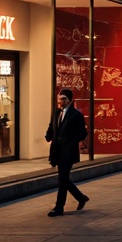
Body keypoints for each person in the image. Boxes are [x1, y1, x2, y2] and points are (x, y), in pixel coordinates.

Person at [45, 88, 89, 216]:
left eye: (64, 99)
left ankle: (59, 207)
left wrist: (71, 143)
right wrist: (49, 136)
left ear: (70, 100)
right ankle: (81, 197)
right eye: (60, 98)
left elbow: (83, 133)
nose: (61, 101)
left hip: (68, 151)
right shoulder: (56, 113)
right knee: (63, 178)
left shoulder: (76, 115)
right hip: (57, 150)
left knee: (62, 177)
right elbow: (52, 127)